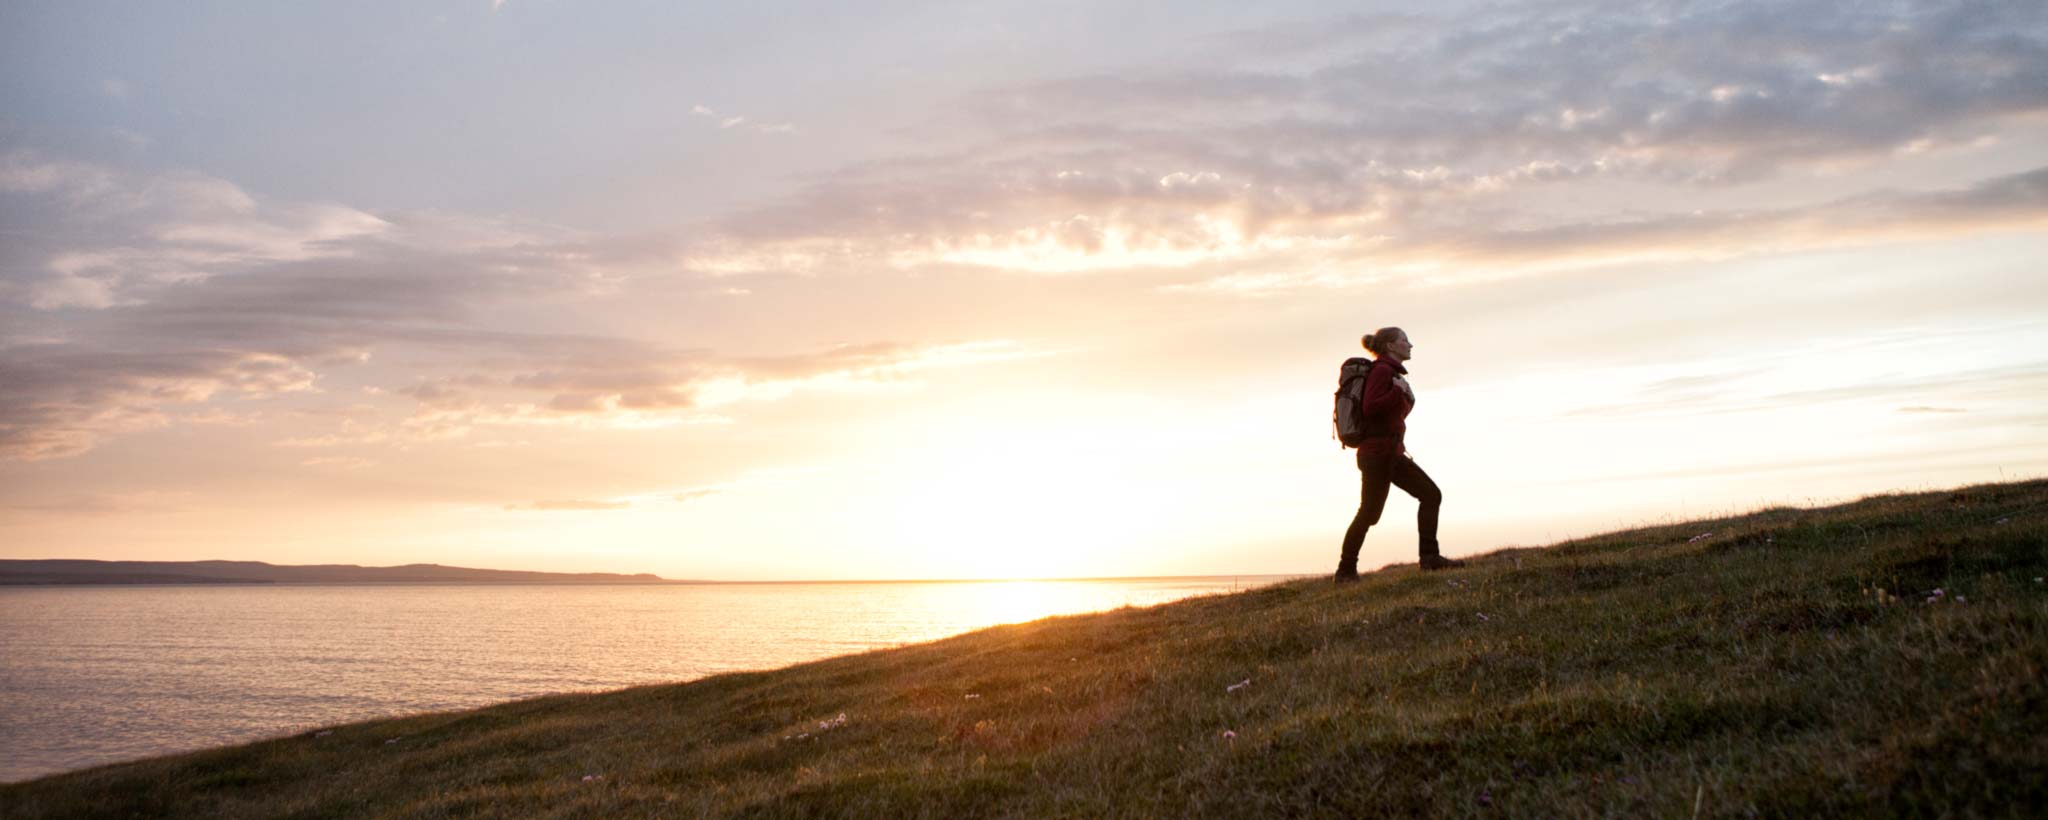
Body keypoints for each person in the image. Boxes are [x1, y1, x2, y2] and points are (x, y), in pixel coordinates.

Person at [1336, 326, 1462, 582]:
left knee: (1430, 495)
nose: (1410, 344)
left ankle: (1430, 558)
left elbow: (1392, 414)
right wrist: (1397, 390)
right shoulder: (1383, 371)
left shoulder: (1389, 372)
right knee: (1369, 514)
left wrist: (1402, 393)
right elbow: (1371, 407)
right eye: (1405, 340)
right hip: (1377, 455)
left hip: (1390, 453)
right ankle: (1345, 570)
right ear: (1391, 346)